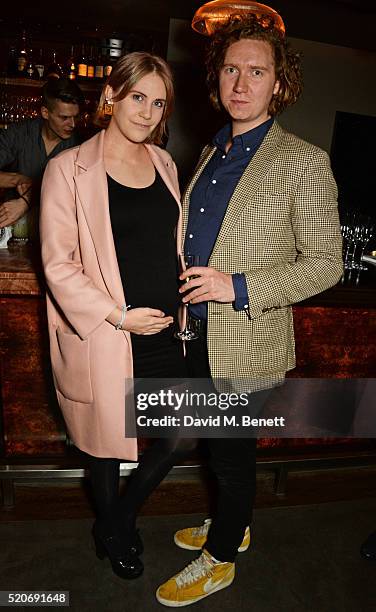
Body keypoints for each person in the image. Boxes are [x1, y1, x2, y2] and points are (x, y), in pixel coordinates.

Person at [156, 14, 343, 607]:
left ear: (277, 83)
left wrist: (235, 287)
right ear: (217, 79)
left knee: (233, 459)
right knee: (217, 450)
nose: (240, 83)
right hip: (196, 334)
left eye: (255, 71)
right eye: (231, 69)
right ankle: (233, 523)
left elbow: (326, 264)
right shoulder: (212, 150)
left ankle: (223, 558)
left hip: (247, 342)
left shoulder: (303, 160)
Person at [40, 53, 194, 580]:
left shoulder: (166, 164)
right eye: (137, 98)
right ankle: (115, 525)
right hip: (109, 334)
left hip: (166, 333)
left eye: (157, 102)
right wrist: (117, 315)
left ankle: (116, 520)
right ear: (110, 95)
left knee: (181, 435)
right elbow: (58, 265)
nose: (147, 112)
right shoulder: (67, 168)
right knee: (105, 447)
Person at [0, 78, 83, 229]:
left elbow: (78, 195)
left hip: (58, 231)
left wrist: (27, 200)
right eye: (64, 117)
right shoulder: (18, 134)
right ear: (45, 112)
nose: (72, 124)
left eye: (75, 116)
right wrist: (16, 179)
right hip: (12, 229)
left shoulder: (81, 146)